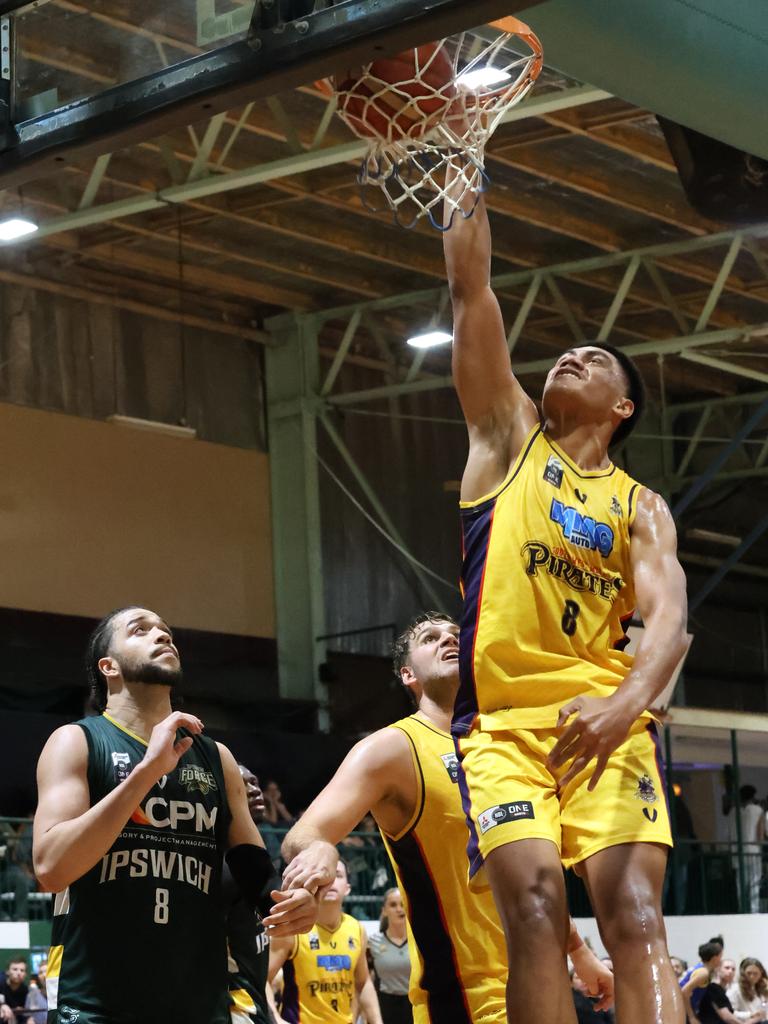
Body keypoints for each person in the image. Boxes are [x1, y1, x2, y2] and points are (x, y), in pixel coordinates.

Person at [442, 165, 688, 1024]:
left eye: (597, 359)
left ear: (621, 406)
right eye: (566, 352)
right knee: (538, 916)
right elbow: (470, 286)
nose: (571, 353)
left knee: (636, 919)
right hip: (504, 733)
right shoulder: (507, 436)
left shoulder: (639, 506)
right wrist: (457, 159)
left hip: (607, 721)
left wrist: (626, 705)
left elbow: (668, 623)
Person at [279, 613, 613, 1023]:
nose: (448, 640)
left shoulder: (511, 747)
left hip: (546, 986)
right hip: (465, 999)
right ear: (407, 674)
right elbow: (304, 832)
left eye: (457, 635)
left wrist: (579, 952)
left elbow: (526, 875)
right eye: (430, 638)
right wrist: (319, 851)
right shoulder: (393, 748)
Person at [33, 606, 316, 1024]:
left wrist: (293, 903)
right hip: (97, 1005)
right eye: (141, 630)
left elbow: (256, 874)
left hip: (199, 1005)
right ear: (108, 666)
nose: (162, 635)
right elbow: (51, 868)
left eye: (166, 631)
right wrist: (147, 773)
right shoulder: (75, 741)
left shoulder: (217, 758)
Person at [268, 860, 383, 1024]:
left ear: (348, 888)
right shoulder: (293, 927)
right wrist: (276, 1019)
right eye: (325, 876)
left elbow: (363, 982)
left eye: (338, 875)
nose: (331, 881)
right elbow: (264, 980)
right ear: (313, 884)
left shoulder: (356, 929)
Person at [225, 765, 283, 1024]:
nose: (254, 790)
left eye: (255, 782)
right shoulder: (220, 860)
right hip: (233, 1010)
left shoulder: (255, 859)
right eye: (243, 784)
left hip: (256, 1004)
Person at [368, 889, 410, 1024]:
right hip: (384, 1008)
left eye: (402, 904)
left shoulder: (419, 942)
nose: (399, 909)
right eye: (393, 905)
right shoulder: (372, 943)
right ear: (384, 911)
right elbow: (365, 983)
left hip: (415, 1007)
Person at [680, 938, 724, 1024]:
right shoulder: (703, 973)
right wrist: (691, 1017)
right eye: (721, 957)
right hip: (682, 1011)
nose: (721, 960)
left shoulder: (702, 969)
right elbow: (684, 991)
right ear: (715, 958)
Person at [727, 959, 768, 1023]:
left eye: (756, 973)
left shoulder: (760, 987)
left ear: (761, 974)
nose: (752, 976)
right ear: (743, 973)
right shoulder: (735, 989)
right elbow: (730, 1013)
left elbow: (763, 1007)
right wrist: (750, 1014)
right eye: (749, 973)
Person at [0, 958, 28, 1022]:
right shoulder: (1, 981)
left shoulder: (25, 990)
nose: (18, 973)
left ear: (25, 974)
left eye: (22, 970)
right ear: (7, 971)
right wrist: (2, 1004)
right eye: (15, 969)